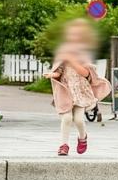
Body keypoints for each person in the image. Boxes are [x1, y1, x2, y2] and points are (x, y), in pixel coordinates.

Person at [46, 18, 111, 157]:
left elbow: (86, 73)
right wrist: (52, 74)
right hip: (66, 92)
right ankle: (64, 145)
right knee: (67, 118)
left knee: (79, 120)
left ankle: (83, 137)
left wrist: (72, 61)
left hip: (80, 92)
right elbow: (59, 71)